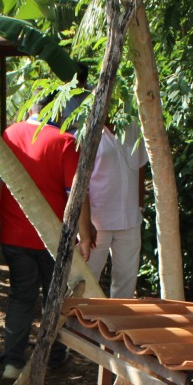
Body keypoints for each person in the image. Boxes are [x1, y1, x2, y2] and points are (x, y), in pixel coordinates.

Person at [0, 93, 85, 380]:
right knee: (53, 297)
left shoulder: (10, 133)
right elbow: (75, 196)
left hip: (14, 232)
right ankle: (53, 356)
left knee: (21, 296)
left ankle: (12, 361)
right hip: (51, 236)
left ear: (32, 108)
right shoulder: (66, 142)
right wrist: (83, 234)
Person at [78, 119, 148, 298]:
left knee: (126, 281)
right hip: (97, 223)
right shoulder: (87, 132)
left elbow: (140, 165)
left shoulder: (132, 126)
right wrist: (85, 227)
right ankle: (80, 324)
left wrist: (140, 203)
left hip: (130, 219)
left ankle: (118, 324)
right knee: (87, 280)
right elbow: (79, 183)